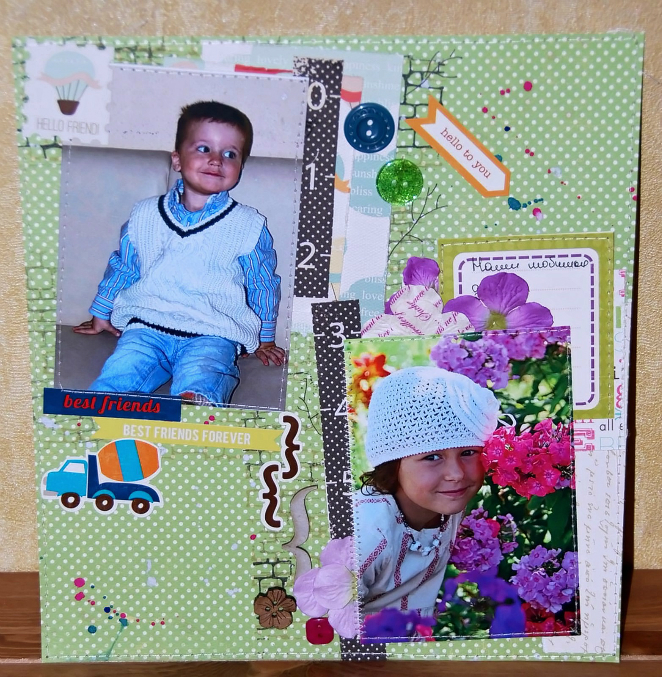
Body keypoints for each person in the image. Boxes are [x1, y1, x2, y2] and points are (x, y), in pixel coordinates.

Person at [74, 101, 286, 405]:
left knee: (205, 376)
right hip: (147, 327)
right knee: (120, 374)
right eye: (203, 149)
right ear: (177, 160)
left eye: (230, 154)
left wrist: (265, 339)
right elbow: (124, 266)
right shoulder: (145, 215)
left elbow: (262, 283)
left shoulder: (248, 224)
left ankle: (194, 412)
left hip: (213, 333)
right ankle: (102, 415)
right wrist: (101, 312)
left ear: (240, 166)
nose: (216, 160)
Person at [354, 366, 499, 619]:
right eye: (432, 457)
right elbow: (322, 628)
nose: (456, 473)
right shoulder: (365, 536)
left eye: (468, 452)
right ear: (392, 462)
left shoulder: (444, 500)